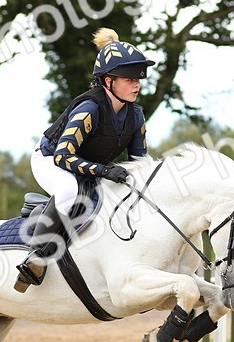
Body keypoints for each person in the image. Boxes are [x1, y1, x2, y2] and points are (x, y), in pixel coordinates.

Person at [14, 28, 155, 292]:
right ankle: (37, 256)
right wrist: (103, 170)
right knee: (69, 189)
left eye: (139, 76)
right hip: (50, 159)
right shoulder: (90, 108)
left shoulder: (136, 116)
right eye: (129, 78)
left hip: (84, 164)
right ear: (107, 81)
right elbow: (63, 156)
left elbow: (141, 164)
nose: (137, 83)